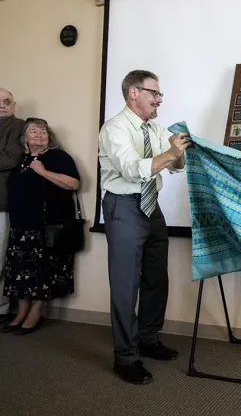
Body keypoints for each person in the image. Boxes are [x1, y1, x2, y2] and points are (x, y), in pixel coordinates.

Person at [98, 70, 191, 385]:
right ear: (133, 93)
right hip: (124, 206)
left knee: (155, 276)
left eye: (160, 94)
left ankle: (148, 338)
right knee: (126, 285)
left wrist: (178, 155)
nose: (159, 100)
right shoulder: (115, 128)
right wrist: (170, 153)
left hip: (152, 207)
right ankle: (125, 357)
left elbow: (177, 166)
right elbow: (130, 168)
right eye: (155, 93)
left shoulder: (156, 127)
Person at [2, 118, 80, 334]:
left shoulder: (58, 156)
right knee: (21, 272)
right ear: (24, 138)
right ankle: (21, 312)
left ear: (49, 137)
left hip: (47, 226)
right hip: (21, 226)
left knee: (42, 272)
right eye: (33, 131)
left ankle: (36, 313)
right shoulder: (20, 161)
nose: (39, 135)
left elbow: (74, 183)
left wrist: (43, 172)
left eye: (43, 132)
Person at [0, 88, 25, 324]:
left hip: (2, 202)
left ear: (13, 104)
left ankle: (1, 308)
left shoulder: (18, 126)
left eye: (6, 101)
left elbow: (11, 158)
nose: (2, 105)